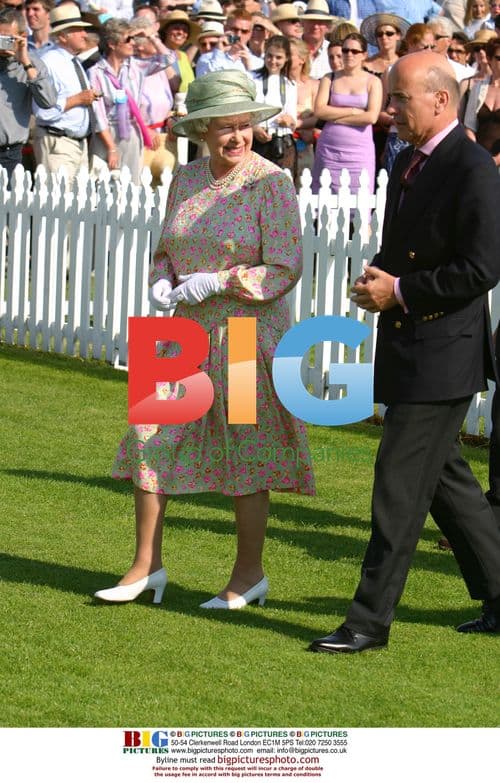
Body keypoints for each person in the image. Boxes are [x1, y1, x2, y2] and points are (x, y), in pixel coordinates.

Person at [94, 69, 315, 609]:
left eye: (243, 126)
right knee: (151, 435)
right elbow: (166, 249)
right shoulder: (186, 180)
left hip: (244, 335)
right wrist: (164, 279)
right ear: (201, 132)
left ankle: (248, 576)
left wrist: (222, 280)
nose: (236, 137)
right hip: (180, 334)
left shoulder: (271, 183)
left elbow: (285, 267)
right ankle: (145, 568)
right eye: (224, 129)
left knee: (246, 447)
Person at [309, 51, 500, 655]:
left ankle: (367, 621)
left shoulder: (471, 167)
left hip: (444, 353)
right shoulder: (416, 159)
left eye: (399, 99)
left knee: (396, 489)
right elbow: (417, 249)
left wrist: (402, 291)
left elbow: (481, 267)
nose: (388, 110)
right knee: (449, 486)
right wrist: (381, 283)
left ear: (440, 100)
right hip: (416, 346)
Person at [88, 17, 174, 183]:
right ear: (112, 44)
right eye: (128, 39)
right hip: (107, 134)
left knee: (131, 185)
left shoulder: (136, 66)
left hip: (132, 131)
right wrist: (111, 148)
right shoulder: (96, 72)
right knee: (103, 184)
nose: (133, 43)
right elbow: (98, 115)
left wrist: (151, 37)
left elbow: (169, 58)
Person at [32, 4, 100, 183]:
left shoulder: (73, 62)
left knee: (76, 204)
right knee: (56, 204)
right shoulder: (49, 62)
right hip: (57, 142)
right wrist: (78, 99)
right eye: (78, 30)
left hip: (77, 143)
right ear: (62, 36)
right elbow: (42, 111)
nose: (85, 34)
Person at [312, 32, 383, 193]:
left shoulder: (373, 81)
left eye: (354, 51)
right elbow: (319, 110)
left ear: (364, 54)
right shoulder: (328, 78)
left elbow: (371, 117)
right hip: (329, 149)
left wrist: (334, 117)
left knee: (360, 203)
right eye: (345, 50)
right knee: (325, 202)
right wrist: (352, 111)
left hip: (359, 152)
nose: (349, 54)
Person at [0, 7, 56, 180]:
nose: (2, 43)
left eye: (7, 38)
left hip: (9, 154)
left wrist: (25, 62)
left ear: (22, 37)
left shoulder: (33, 65)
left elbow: (48, 101)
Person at [252, 34, 298, 178]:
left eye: (278, 57)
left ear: (287, 58)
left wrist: (288, 120)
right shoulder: (252, 79)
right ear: (264, 55)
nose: (273, 61)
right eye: (269, 56)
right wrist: (254, 128)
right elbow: (245, 111)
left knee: (283, 189)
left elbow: (293, 120)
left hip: (282, 141)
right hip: (258, 140)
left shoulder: (290, 84)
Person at [463, 35, 500, 167]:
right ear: (489, 59)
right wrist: (478, 156)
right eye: (498, 58)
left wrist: (497, 160)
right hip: (478, 160)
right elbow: (469, 126)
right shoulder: (478, 88)